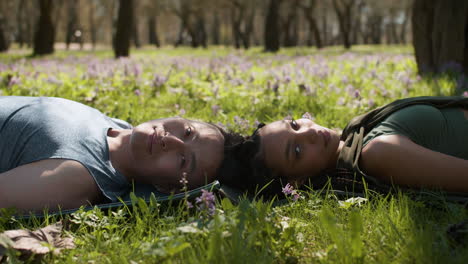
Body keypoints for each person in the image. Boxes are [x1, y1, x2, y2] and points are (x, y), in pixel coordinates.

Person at [0, 96, 229, 213]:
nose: (171, 140)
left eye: (183, 160)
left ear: (166, 188)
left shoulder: (75, 177)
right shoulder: (116, 125)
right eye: (188, 132)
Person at [219, 96, 468, 197]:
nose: (310, 134)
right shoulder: (377, 153)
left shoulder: (358, 133)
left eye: (295, 125)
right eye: (297, 151)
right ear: (297, 183)